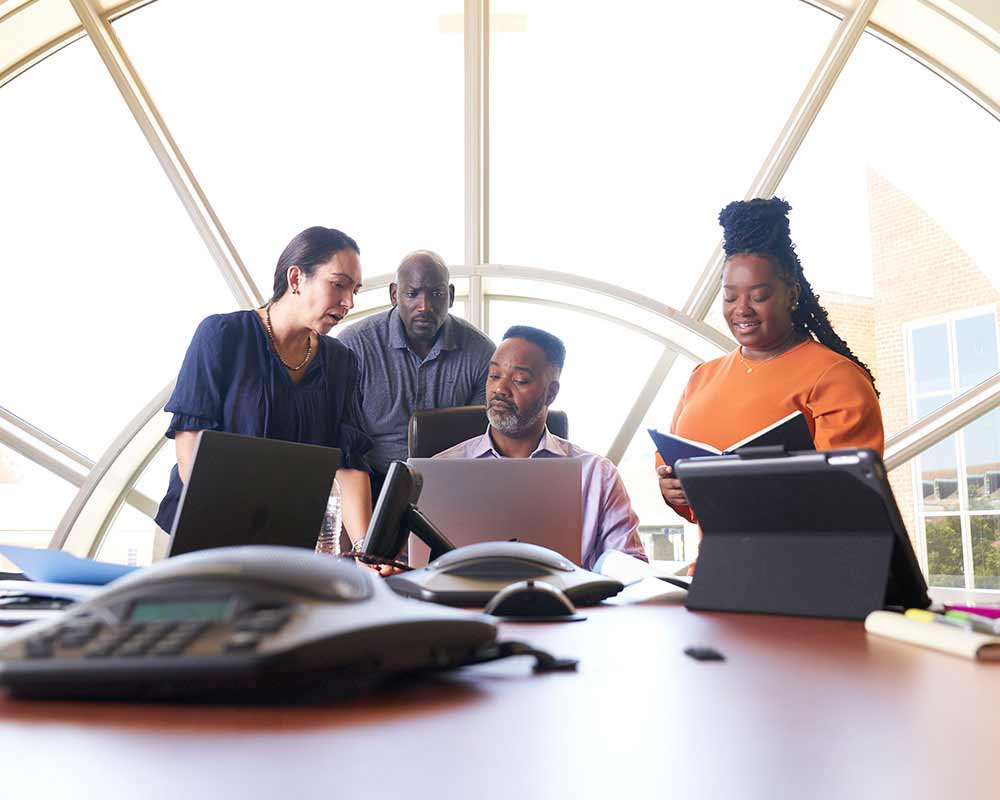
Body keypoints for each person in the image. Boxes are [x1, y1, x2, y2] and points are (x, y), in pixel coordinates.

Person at [657, 197, 884, 525]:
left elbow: (848, 496)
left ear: (792, 293)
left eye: (759, 296)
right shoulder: (702, 376)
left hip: (806, 567)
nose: (742, 309)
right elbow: (671, 467)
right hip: (717, 568)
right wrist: (672, 489)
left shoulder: (837, 378)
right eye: (730, 296)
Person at [154, 226, 374, 550]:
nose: (349, 302)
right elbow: (191, 448)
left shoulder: (341, 361)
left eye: (355, 290)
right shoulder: (222, 335)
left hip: (285, 538)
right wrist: (235, 534)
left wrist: (364, 548)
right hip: (200, 531)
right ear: (296, 278)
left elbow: (350, 464)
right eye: (339, 285)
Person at [435, 326, 647, 570]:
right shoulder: (440, 471)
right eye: (494, 375)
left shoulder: (597, 475)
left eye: (520, 380)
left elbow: (632, 571)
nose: (499, 389)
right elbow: (410, 566)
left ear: (551, 393)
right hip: (459, 607)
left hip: (568, 606)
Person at [338, 250, 495, 502]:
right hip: (370, 483)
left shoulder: (481, 353)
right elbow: (342, 442)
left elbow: (482, 443)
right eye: (412, 294)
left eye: (437, 294)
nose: (425, 306)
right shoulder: (354, 345)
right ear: (394, 295)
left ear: (451, 296)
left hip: (452, 486)